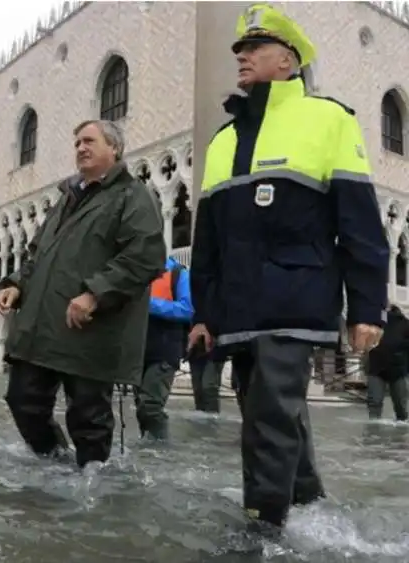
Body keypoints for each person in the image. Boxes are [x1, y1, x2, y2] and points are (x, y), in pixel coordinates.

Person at [189, 4, 389, 530]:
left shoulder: (328, 119)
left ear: (287, 60)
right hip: (238, 304)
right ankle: (308, 504)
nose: (242, 58)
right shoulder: (222, 140)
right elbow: (206, 241)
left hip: (297, 295)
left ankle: (261, 524)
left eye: (254, 49)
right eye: (239, 50)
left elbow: (361, 222)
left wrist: (367, 306)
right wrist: (204, 313)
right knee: (262, 404)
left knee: (269, 412)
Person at [0, 119, 166, 469]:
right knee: (22, 399)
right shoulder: (66, 199)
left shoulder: (132, 195)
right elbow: (37, 254)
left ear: (114, 148)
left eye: (89, 141)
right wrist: (15, 284)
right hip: (41, 327)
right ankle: (55, 465)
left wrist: (95, 294)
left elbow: (144, 256)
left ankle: (93, 486)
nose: (81, 148)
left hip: (91, 327)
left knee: (89, 417)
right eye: (76, 143)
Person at [135, 256, 192, 440]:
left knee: (150, 406)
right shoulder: (134, 271)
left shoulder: (178, 273)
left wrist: (148, 304)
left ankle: (160, 451)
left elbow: (187, 309)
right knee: (142, 408)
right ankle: (148, 453)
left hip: (165, 351)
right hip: (138, 351)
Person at [366, 304, 409, 422]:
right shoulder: (376, 321)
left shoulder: (404, 323)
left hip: (389, 368)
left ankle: (373, 433)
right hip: (386, 368)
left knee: (376, 405)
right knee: (399, 408)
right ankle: (398, 435)